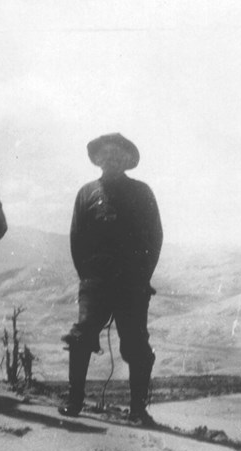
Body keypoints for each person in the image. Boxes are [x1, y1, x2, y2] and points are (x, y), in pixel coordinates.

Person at [59, 133, 163, 426]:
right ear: (98, 160)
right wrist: (89, 279)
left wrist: (142, 277)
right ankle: (75, 401)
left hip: (132, 284)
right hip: (96, 284)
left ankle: (138, 411)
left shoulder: (143, 193)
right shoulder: (86, 193)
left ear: (127, 161)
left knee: (137, 346)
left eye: (118, 156)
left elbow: (155, 238)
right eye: (106, 155)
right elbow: (76, 239)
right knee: (81, 338)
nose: (112, 159)